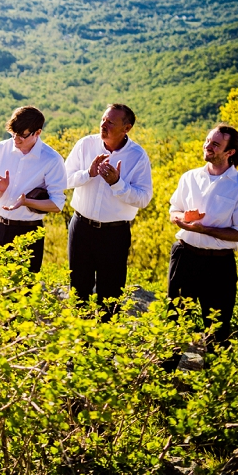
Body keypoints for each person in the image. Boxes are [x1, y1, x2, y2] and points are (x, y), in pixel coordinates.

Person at [168, 125, 238, 347]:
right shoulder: (189, 177)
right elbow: (174, 209)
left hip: (218, 265)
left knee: (217, 330)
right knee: (174, 321)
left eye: (215, 144)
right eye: (208, 141)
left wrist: (204, 229)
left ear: (230, 153)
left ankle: (212, 380)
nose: (207, 146)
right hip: (184, 256)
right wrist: (182, 219)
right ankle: (166, 379)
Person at [64, 104, 153, 318]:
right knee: (78, 289)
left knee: (111, 294)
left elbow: (143, 199)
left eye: (110, 122)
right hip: (81, 228)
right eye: (103, 119)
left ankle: (106, 345)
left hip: (115, 234)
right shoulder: (86, 145)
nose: (103, 124)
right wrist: (88, 173)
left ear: (126, 128)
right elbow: (63, 180)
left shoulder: (138, 157)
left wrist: (117, 183)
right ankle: (79, 341)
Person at [0, 106, 67, 272]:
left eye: (22, 135)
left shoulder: (52, 159)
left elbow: (57, 204)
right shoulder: (0, 150)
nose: (16, 138)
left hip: (29, 232)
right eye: (13, 133)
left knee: (26, 290)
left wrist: (26, 202)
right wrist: (0, 189)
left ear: (37, 133)